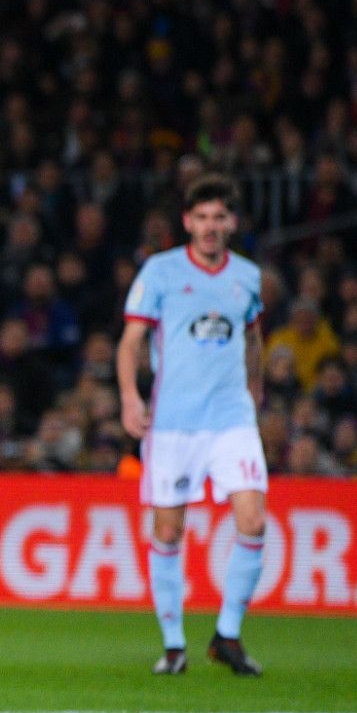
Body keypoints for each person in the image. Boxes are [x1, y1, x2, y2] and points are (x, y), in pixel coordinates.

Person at [117, 173, 268, 677]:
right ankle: (175, 643)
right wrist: (129, 397)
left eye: (218, 217)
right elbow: (130, 342)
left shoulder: (246, 276)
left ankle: (227, 635)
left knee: (253, 521)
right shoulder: (159, 272)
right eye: (201, 217)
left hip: (231, 418)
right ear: (187, 221)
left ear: (232, 223)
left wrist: (256, 389)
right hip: (173, 422)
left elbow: (252, 338)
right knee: (168, 528)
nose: (209, 226)